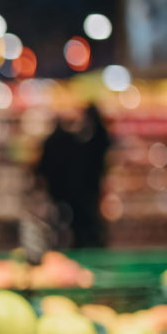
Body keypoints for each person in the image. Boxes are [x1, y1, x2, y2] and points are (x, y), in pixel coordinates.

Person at [36, 103, 112, 248]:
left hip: (64, 194)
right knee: (82, 227)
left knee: (68, 227)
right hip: (82, 194)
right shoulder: (85, 143)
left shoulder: (58, 142)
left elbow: (42, 170)